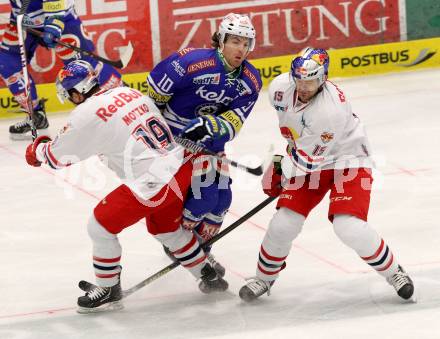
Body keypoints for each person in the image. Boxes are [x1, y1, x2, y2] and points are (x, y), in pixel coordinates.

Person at [24, 60, 228, 313]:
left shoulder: (85, 114)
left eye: (70, 94)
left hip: (153, 182)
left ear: (76, 92)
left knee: (100, 226)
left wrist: (37, 149)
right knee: (166, 230)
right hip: (180, 168)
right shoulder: (127, 91)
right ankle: (207, 273)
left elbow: (57, 158)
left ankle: (108, 287)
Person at [239, 47, 415, 302]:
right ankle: (263, 279)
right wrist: (282, 164)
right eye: (299, 79)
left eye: (310, 81)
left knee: (348, 226)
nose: (303, 86)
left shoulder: (330, 110)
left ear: (323, 78)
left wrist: (280, 170)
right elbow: (298, 142)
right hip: (309, 156)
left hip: (348, 160)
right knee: (283, 223)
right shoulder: (279, 88)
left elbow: (309, 161)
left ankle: (394, 272)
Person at [146, 13, 262, 275]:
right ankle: (183, 246)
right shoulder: (189, 62)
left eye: (246, 43)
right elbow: (154, 97)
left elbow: (234, 121)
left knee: (222, 200)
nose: (240, 49)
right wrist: (163, 135)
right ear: (221, 40)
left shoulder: (250, 80)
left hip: (209, 141)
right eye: (235, 41)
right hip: (174, 141)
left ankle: (201, 251)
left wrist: (209, 127)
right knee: (203, 197)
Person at [1, 0, 122, 140]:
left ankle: (124, 98)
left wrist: (55, 22)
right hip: (23, 19)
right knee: (7, 63)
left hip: (59, 14)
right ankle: (36, 116)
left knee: (82, 64)